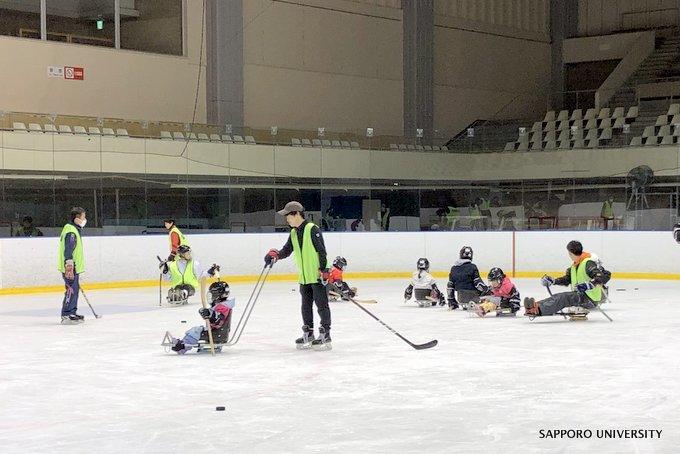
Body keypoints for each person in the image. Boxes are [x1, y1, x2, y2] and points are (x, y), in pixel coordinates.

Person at [264, 201, 332, 350]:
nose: (286, 219)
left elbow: (322, 251)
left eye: (288, 216)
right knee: (305, 306)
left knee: (322, 306)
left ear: (296, 214)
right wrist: (276, 255)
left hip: (317, 276)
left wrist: (323, 270)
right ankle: (308, 333)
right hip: (304, 277)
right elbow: (287, 250)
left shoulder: (312, 229)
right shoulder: (294, 232)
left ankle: (325, 334)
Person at [524, 240, 611, 318]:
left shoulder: (588, 263)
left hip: (590, 298)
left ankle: (538, 310)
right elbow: (566, 280)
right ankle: (534, 306)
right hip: (579, 295)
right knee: (558, 296)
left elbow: (600, 276)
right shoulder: (574, 266)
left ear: (570, 253)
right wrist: (553, 281)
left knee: (564, 297)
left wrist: (589, 285)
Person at [170, 281, 234, 354]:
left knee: (196, 330)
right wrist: (207, 313)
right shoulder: (221, 305)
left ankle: (182, 347)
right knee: (198, 330)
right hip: (217, 333)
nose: (211, 296)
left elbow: (218, 320)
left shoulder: (223, 307)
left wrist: (210, 314)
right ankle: (184, 343)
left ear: (219, 295)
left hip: (217, 335)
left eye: (213, 294)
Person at [58, 207, 87, 324]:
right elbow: (68, 249)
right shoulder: (71, 231)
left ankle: (72, 311)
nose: (85, 220)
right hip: (70, 267)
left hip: (74, 267)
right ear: (77, 219)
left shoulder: (74, 229)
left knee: (74, 289)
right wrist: (69, 265)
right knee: (71, 290)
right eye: (83, 217)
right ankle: (66, 314)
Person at [446, 246, 488, 310]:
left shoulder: (453, 268)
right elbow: (478, 284)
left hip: (461, 298)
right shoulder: (473, 267)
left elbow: (450, 286)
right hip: (473, 297)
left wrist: (451, 300)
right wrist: (487, 290)